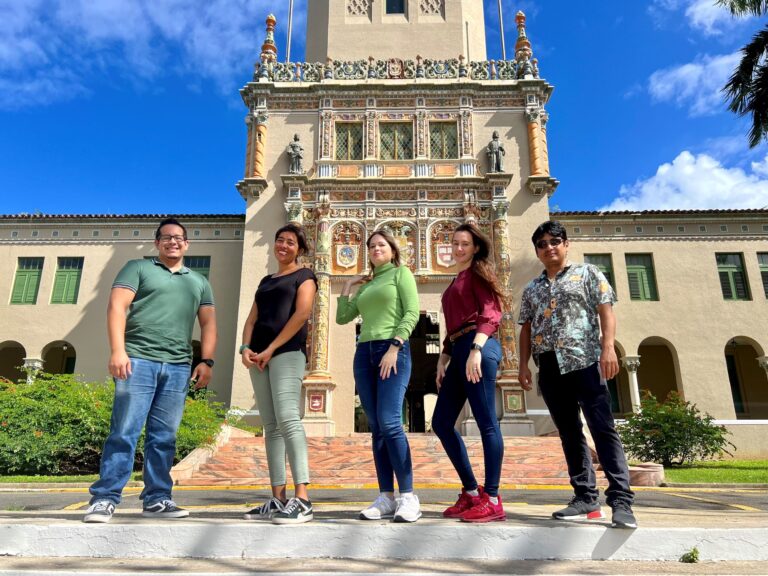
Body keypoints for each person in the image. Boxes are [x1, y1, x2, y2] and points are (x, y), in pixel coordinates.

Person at [84, 218, 217, 523]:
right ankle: (105, 498)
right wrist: (118, 350)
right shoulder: (137, 268)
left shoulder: (198, 281)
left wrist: (206, 361)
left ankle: (158, 498)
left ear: (187, 244)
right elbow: (117, 307)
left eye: (179, 238)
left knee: (164, 437)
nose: (173, 242)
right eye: (166, 237)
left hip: (178, 365)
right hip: (138, 360)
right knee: (124, 431)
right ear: (157, 243)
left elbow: (208, 323)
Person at [518, 220, 637, 529]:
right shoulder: (532, 289)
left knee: (602, 429)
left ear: (566, 243)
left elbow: (606, 311)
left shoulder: (588, 274)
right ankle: (584, 496)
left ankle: (621, 501)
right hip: (549, 366)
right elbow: (526, 328)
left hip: (584, 360)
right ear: (537, 251)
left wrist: (608, 348)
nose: (549, 247)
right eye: (542, 244)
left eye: (554, 241)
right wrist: (522, 365)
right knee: (569, 433)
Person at [336, 230, 421, 522]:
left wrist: (395, 345)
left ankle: (408, 496)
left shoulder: (401, 274)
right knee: (376, 427)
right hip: (364, 353)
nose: (375, 249)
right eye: (371, 246)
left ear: (393, 249)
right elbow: (343, 317)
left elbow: (411, 312)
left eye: (381, 245)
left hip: (392, 350)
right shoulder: (368, 284)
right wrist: (347, 286)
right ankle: (386, 496)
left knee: (390, 422)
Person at [239, 224, 317, 525]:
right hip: (258, 357)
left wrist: (271, 348)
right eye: (279, 240)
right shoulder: (266, 280)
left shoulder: (304, 276)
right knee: (270, 426)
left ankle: (303, 499)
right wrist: (246, 348)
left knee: (287, 419)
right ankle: (278, 498)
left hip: (286, 354)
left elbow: (302, 315)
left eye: (290, 242)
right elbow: (251, 319)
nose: (283, 246)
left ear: (300, 248)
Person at [432, 223, 506, 523]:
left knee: (487, 422)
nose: (458, 248)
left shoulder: (478, 273)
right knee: (441, 422)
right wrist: (443, 357)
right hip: (460, 348)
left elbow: (491, 313)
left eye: (465, 243)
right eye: (455, 243)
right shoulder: (457, 279)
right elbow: (453, 325)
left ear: (475, 247)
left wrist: (476, 349)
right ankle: (472, 492)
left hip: (479, 347)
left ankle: (493, 498)